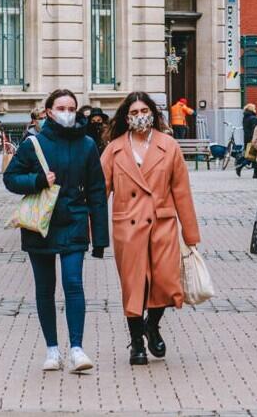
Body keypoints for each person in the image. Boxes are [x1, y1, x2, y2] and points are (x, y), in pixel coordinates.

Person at [3, 89, 109, 373]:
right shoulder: (33, 143)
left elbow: (97, 192)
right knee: (45, 288)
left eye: (71, 107)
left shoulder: (87, 144)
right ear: (48, 111)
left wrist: (100, 238)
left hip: (74, 220)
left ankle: (76, 348)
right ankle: (52, 350)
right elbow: (11, 178)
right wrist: (37, 180)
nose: (66, 112)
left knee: (73, 283)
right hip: (41, 225)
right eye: (61, 107)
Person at [101, 92, 201, 366]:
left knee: (165, 282)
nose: (139, 116)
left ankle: (152, 325)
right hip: (128, 227)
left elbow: (181, 191)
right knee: (134, 286)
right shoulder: (115, 149)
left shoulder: (169, 146)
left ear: (153, 114)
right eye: (133, 112)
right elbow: (100, 194)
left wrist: (190, 234)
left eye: (143, 110)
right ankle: (136, 342)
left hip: (162, 224)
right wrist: (93, 232)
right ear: (125, 117)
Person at [237, 103, 257, 178]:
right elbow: (254, 128)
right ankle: (240, 166)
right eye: (254, 108)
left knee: (253, 156)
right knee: (252, 157)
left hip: (247, 138)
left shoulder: (245, 117)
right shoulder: (252, 118)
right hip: (252, 138)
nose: (255, 109)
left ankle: (255, 173)